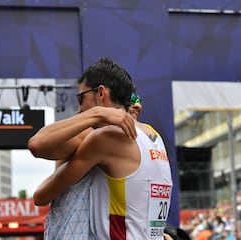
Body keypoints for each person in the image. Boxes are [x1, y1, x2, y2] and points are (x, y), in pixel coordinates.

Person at [29, 57, 173, 239]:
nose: (80, 111)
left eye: (82, 99)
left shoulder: (105, 138)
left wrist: (96, 114)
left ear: (101, 93)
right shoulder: (154, 136)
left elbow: (41, 194)